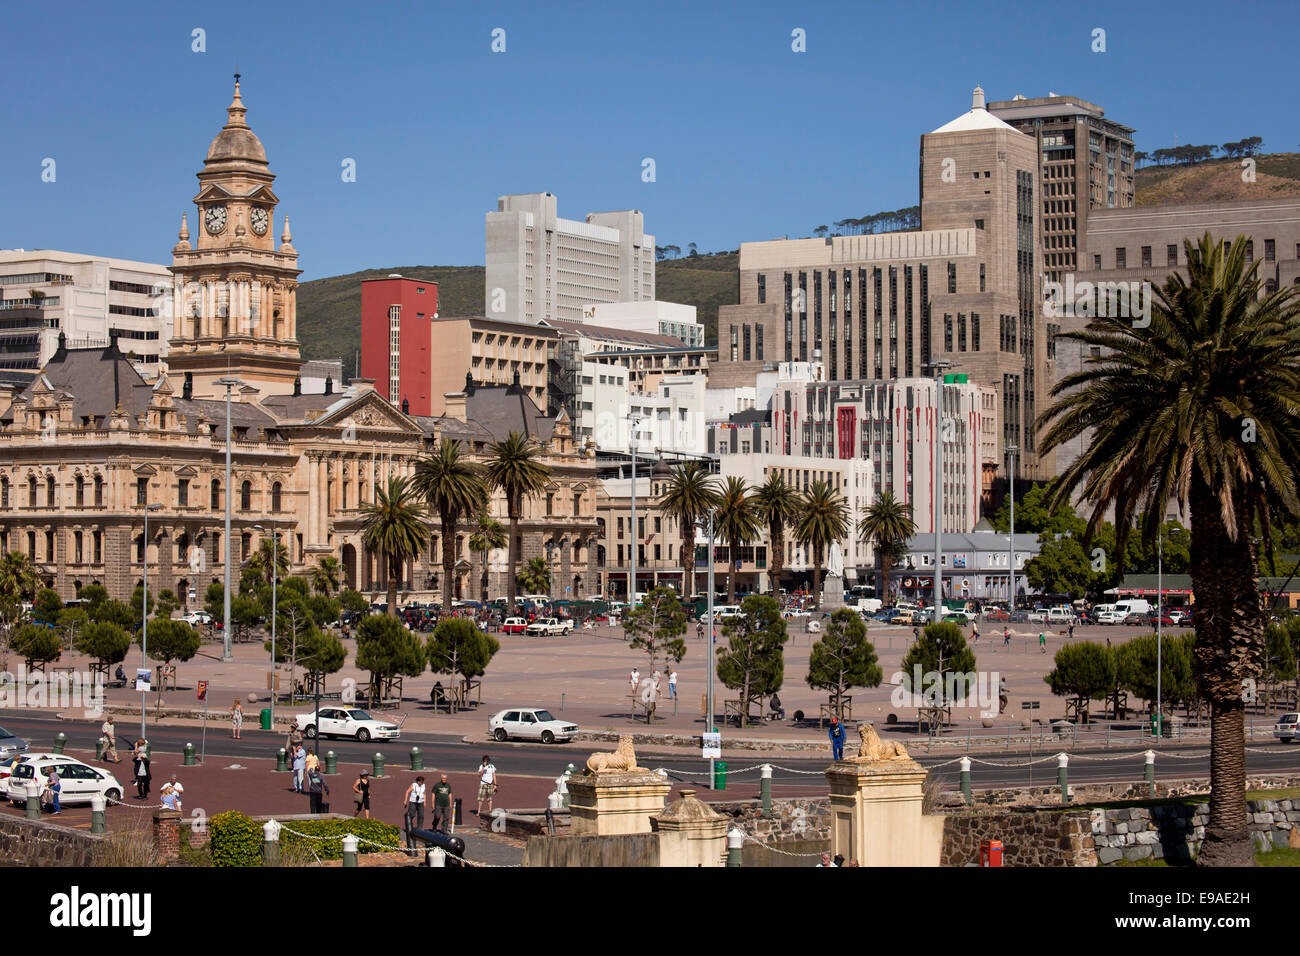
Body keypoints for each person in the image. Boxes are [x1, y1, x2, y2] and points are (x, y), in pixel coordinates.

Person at [403, 775, 427, 840]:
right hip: (413, 802)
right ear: (417, 781)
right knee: (411, 815)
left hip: (420, 802)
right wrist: (405, 800)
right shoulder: (413, 785)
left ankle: (420, 828)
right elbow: (407, 792)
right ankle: (409, 827)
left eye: (422, 782)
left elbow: (424, 793)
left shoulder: (423, 786)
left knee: (421, 815)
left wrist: (425, 801)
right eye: (420, 782)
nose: (421, 783)